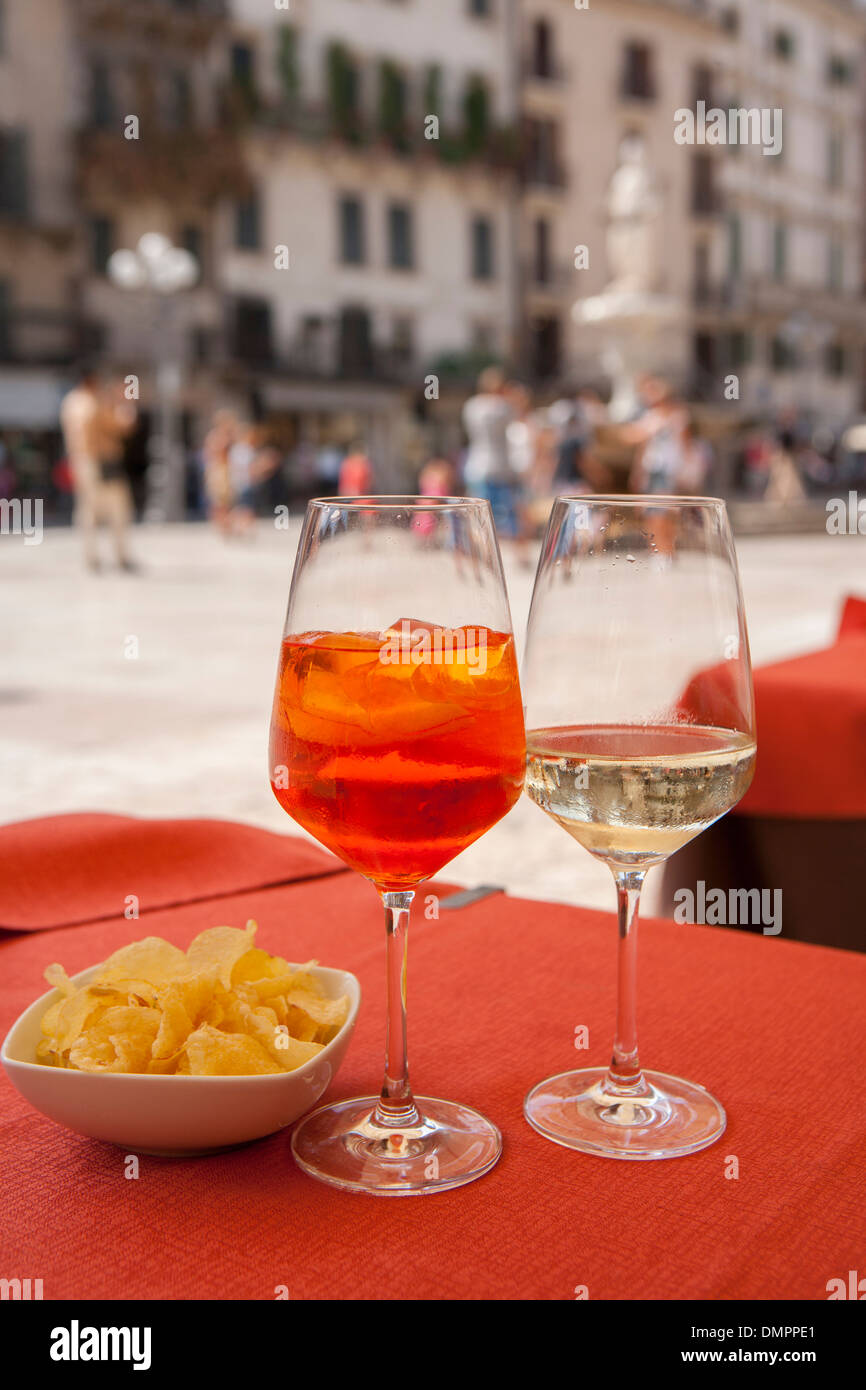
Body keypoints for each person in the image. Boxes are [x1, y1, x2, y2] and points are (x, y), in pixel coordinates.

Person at [60, 367, 137, 572]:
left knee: (88, 510)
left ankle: (91, 557)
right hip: (101, 462)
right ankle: (121, 556)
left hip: (80, 462)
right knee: (118, 510)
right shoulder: (94, 403)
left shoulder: (71, 402)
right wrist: (123, 403)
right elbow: (123, 426)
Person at [462, 366, 517, 536]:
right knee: (505, 515)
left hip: (476, 466)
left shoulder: (472, 406)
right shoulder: (502, 407)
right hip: (498, 468)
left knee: (477, 515)